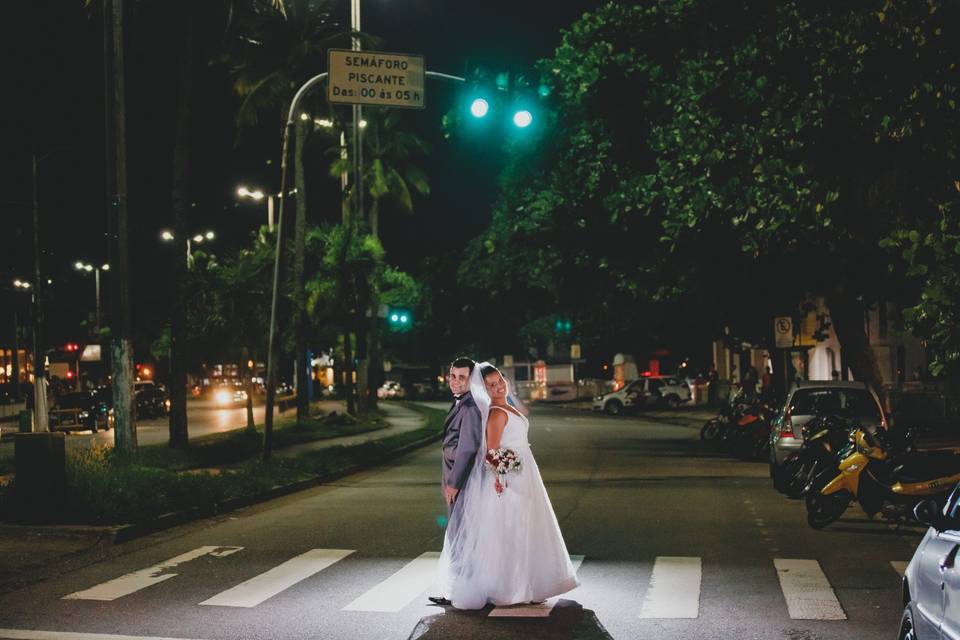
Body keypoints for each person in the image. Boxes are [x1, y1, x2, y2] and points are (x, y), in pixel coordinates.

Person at [436, 362, 579, 609]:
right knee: (513, 531)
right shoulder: (495, 413)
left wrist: (508, 392)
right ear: (484, 389)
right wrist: (504, 479)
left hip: (524, 472)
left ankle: (529, 584)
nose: (498, 386)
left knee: (526, 530)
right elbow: (492, 451)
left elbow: (524, 411)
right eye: (491, 385)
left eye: (500, 380)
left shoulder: (507, 407)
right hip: (511, 476)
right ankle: (511, 587)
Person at [428, 357, 483, 606]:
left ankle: (460, 590)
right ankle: (455, 587)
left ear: (471, 379)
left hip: (463, 482)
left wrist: (454, 483)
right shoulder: (461, 403)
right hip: (454, 478)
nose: (456, 382)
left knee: (460, 535)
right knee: (457, 534)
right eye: (453, 376)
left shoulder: (470, 408)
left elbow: (468, 448)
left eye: (462, 377)